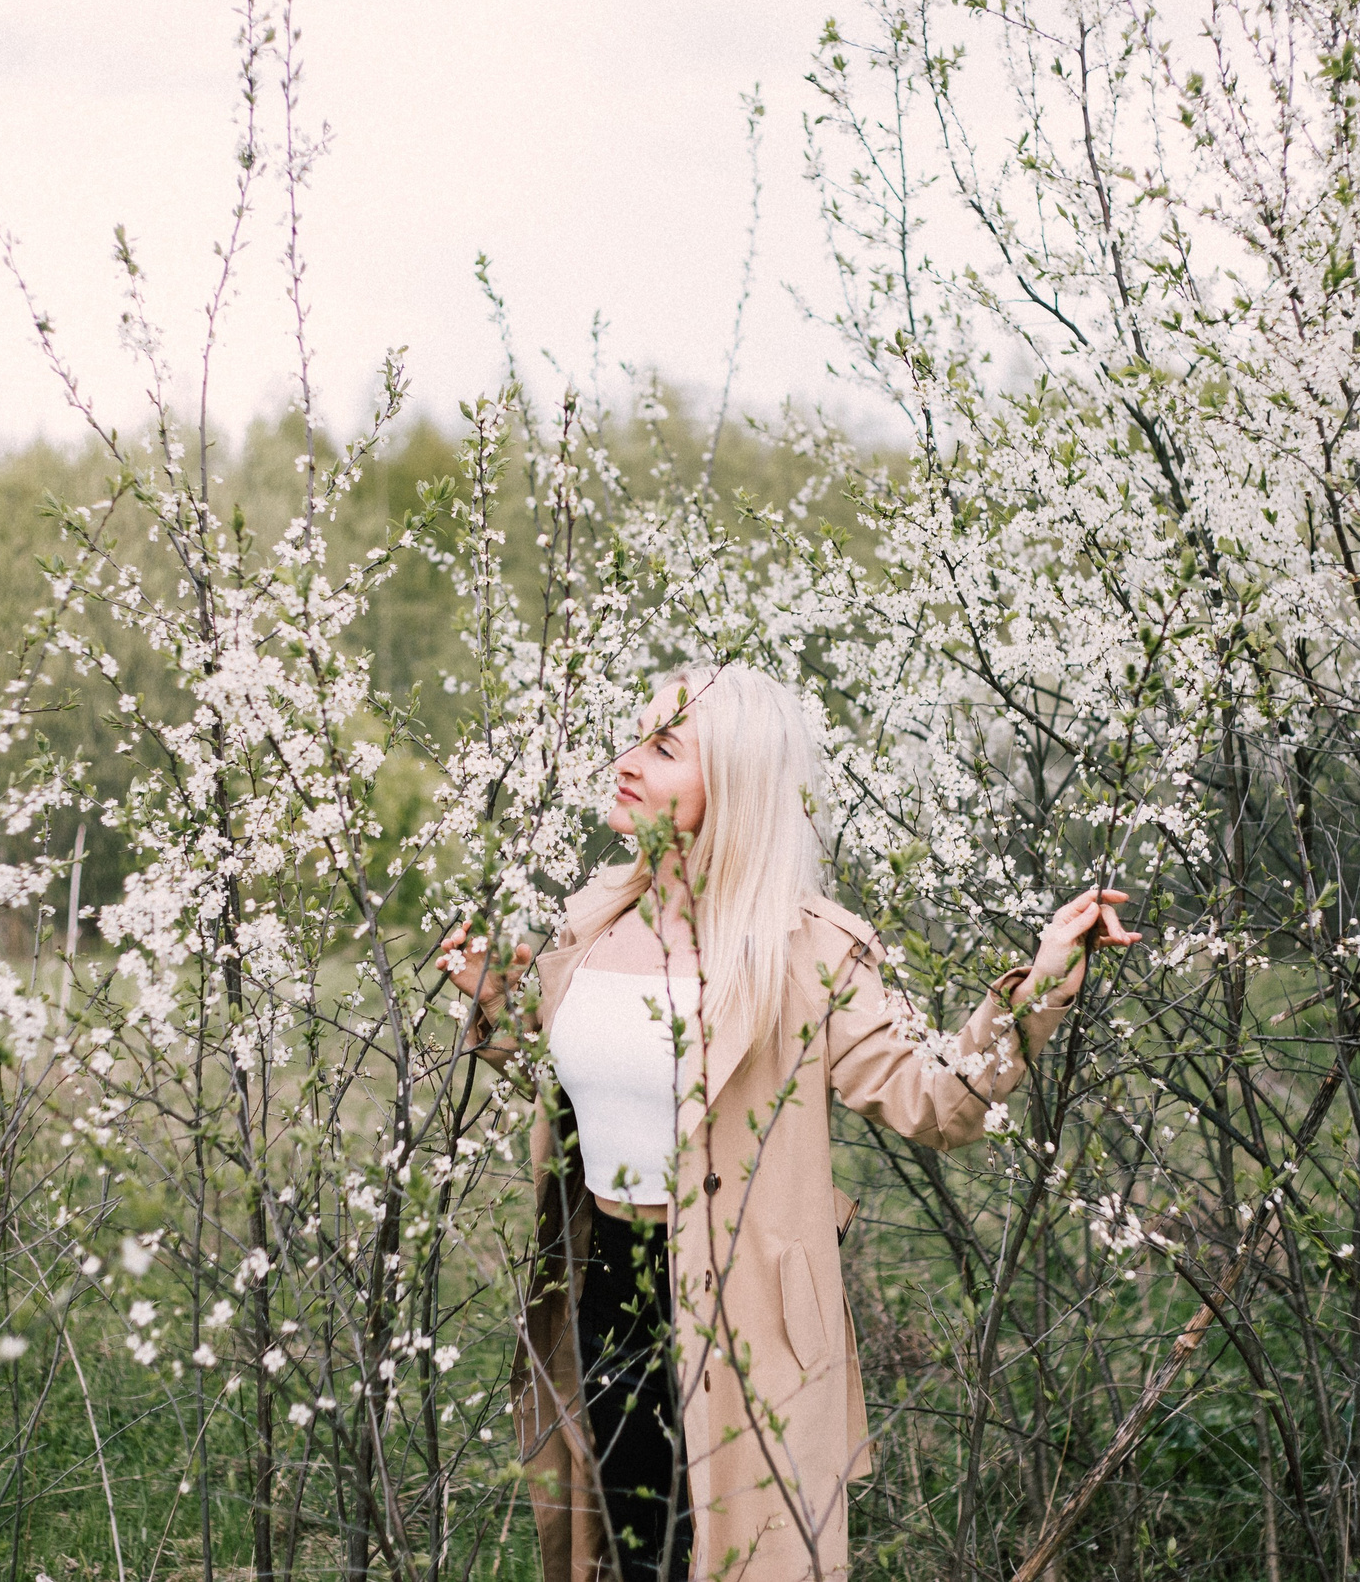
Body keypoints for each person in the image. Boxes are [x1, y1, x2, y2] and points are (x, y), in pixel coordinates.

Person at [441, 665, 1137, 1582]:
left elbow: (940, 1101)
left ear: (732, 781)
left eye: (662, 748)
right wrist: (500, 1006)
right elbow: (596, 1088)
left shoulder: (804, 946)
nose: (625, 761)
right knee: (628, 1554)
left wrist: (1041, 982)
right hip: (602, 1282)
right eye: (633, 736)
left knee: (740, 1556)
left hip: (743, 1303)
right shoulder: (593, 918)